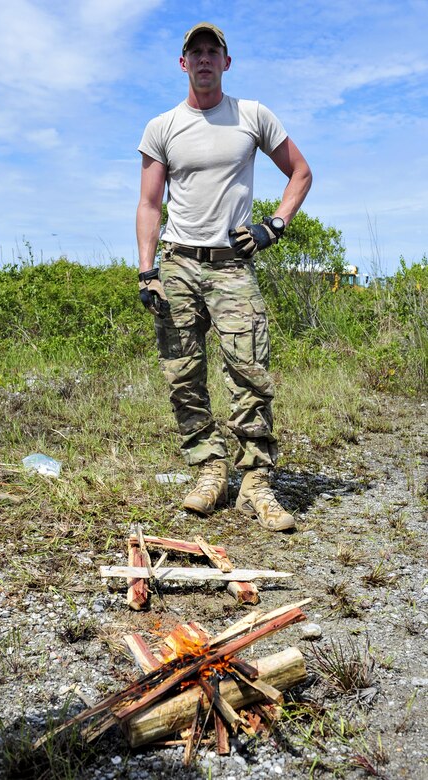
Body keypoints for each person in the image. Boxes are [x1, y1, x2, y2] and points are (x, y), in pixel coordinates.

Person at [136, 22, 312, 531]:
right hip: (177, 263)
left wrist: (274, 225)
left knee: (250, 373)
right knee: (182, 375)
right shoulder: (161, 127)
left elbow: (300, 171)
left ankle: (256, 482)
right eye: (196, 52)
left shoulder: (252, 116)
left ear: (226, 63)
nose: (205, 59)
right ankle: (209, 470)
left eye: (214, 51)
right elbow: (149, 205)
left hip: (233, 265)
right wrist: (148, 271)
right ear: (183, 63)